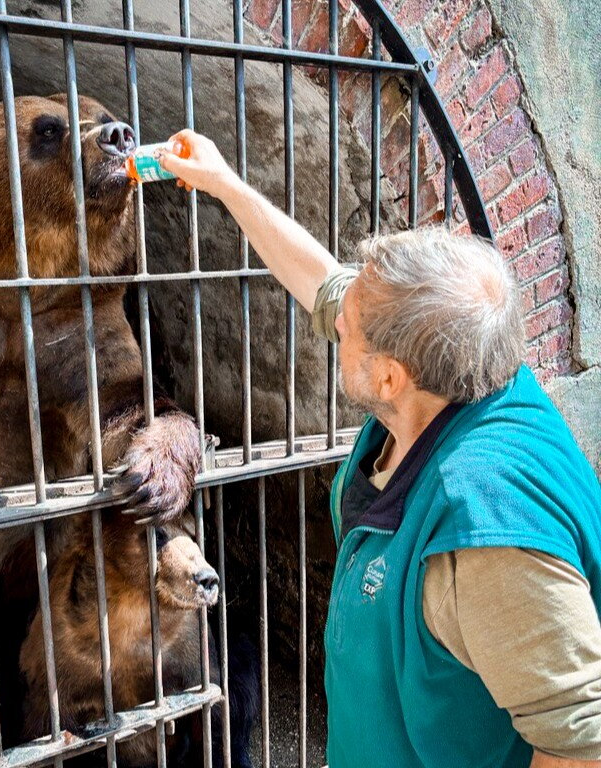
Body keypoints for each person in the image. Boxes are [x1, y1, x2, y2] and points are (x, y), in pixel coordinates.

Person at [159, 131, 601, 768]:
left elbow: (579, 742)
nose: (335, 321)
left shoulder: (487, 528)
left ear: (390, 377)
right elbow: (324, 285)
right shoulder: (461, 369)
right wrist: (224, 184)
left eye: (348, 330)